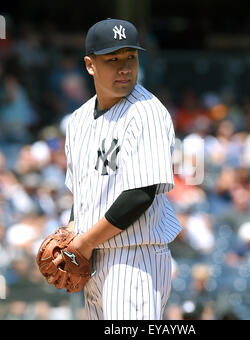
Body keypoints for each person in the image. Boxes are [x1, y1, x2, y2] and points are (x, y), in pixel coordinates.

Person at [63, 19, 182, 320]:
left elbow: (141, 194)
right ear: (90, 65)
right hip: (94, 259)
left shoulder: (147, 112)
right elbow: (83, 193)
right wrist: (70, 232)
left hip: (135, 258)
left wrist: (84, 243)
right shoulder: (77, 121)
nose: (125, 67)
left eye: (131, 57)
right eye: (113, 59)